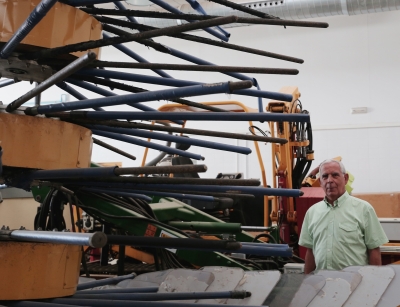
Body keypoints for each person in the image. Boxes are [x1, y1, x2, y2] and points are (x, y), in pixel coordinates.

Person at [299, 159, 388, 274]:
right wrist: (307, 282)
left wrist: (373, 282)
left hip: (354, 284)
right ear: (320, 182)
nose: (329, 180)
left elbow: (374, 250)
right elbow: (310, 251)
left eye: (335, 175)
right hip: (322, 284)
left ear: (345, 178)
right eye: (325, 176)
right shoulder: (312, 212)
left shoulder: (364, 209)